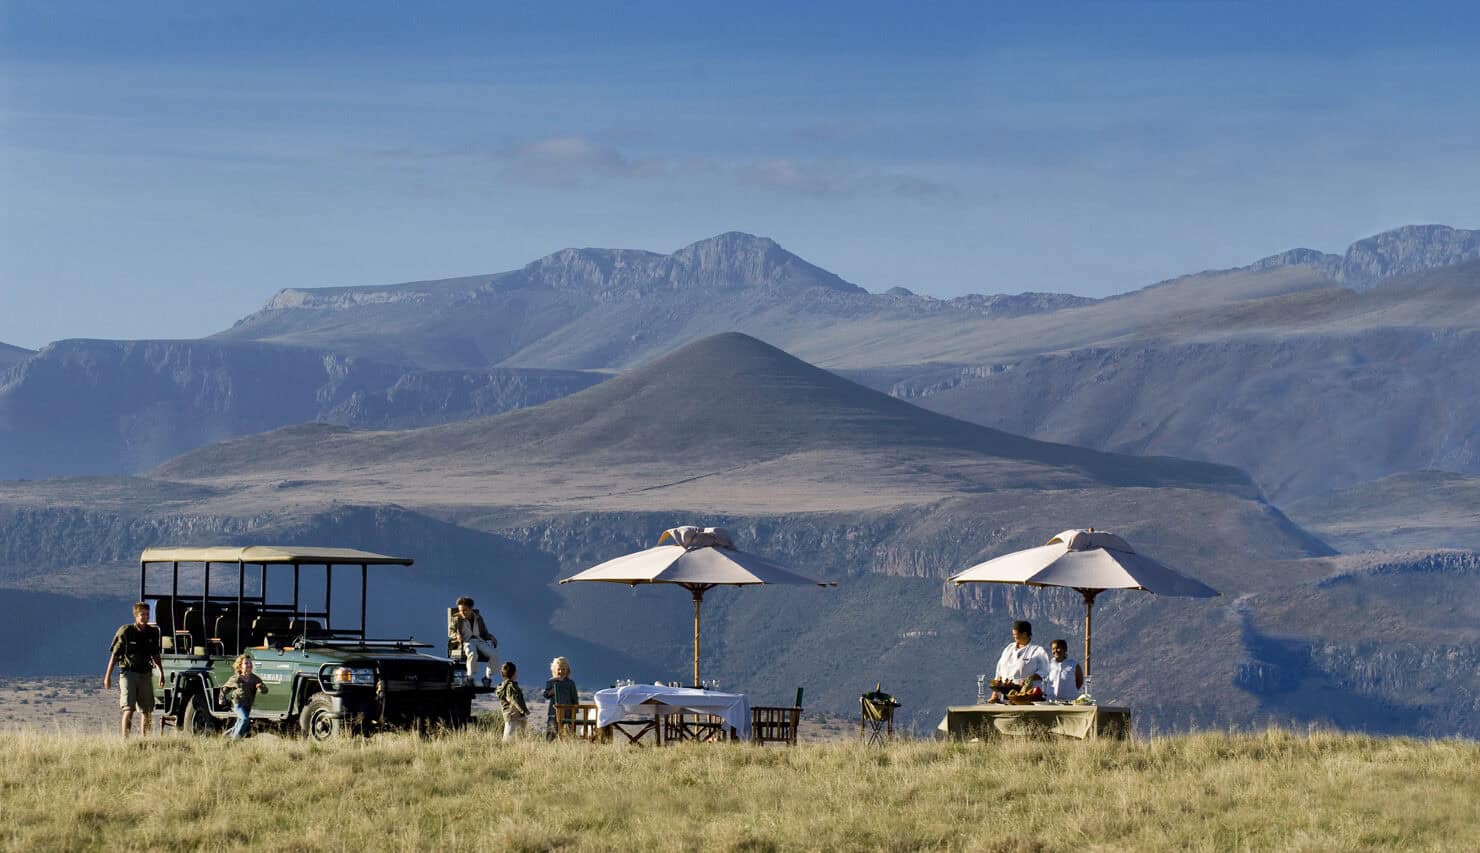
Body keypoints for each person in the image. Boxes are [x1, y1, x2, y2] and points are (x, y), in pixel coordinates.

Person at [103, 601, 165, 737]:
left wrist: (161, 672)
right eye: (142, 614)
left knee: (147, 710)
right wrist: (108, 676)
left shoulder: (152, 632)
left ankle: (145, 739)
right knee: (128, 708)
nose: (145, 617)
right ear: (136, 616)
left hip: (145, 674)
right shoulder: (126, 631)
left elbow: (155, 655)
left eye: (147, 614)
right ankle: (126, 739)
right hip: (129, 673)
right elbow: (115, 655)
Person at [988, 619, 1049, 703]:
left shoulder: (1037, 650)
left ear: (1024, 634)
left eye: (1016, 634)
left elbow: (1045, 671)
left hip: (1025, 696)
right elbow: (999, 669)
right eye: (1013, 634)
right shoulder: (1009, 648)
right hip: (1005, 696)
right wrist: (995, 693)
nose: (1014, 636)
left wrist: (1030, 678)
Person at [452, 596, 498, 688]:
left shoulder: (478, 618)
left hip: (479, 640)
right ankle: (470, 678)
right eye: (460, 610)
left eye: (464, 610)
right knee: (472, 654)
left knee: (494, 655)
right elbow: (451, 632)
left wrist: (491, 637)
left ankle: (487, 678)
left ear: (471, 609)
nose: (462, 612)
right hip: (466, 641)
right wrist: (456, 635)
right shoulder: (456, 618)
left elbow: (484, 633)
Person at [222, 654, 269, 739]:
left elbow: (265, 691)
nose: (249, 665)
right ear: (240, 666)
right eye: (246, 663)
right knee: (244, 719)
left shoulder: (255, 678)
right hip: (237, 704)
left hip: (248, 705)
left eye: (250, 663)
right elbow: (225, 688)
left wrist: (260, 687)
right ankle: (235, 740)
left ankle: (227, 736)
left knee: (240, 722)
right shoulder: (236, 678)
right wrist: (221, 699)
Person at [542, 656, 579, 740]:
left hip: (568, 712)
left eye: (563, 669)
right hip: (553, 713)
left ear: (567, 670)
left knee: (568, 733)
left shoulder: (570, 683)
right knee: (551, 732)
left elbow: (574, 697)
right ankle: (549, 745)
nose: (561, 671)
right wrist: (550, 692)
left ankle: (567, 745)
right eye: (559, 669)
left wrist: (575, 710)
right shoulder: (551, 681)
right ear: (554, 670)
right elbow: (545, 694)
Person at [495, 660, 529, 741]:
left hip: (508, 714)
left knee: (510, 734)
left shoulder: (503, 685)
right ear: (514, 673)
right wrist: (524, 710)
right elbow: (514, 700)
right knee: (510, 737)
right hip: (514, 714)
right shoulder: (511, 686)